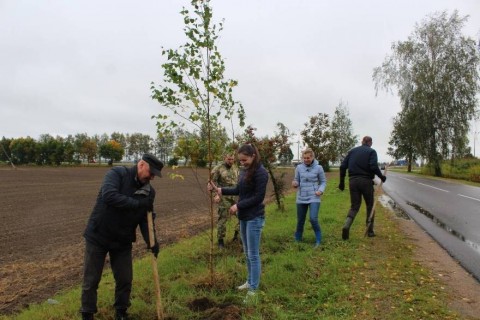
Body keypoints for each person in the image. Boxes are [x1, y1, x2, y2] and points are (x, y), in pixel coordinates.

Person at [80, 154, 163, 320]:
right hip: (99, 235)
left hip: (123, 240)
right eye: (151, 172)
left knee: (125, 279)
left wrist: (152, 242)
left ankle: (121, 312)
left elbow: (145, 219)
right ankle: (87, 313)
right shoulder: (117, 174)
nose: (152, 177)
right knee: (91, 280)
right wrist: (137, 204)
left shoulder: (149, 192)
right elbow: (109, 196)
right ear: (141, 165)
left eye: (155, 174)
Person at [208, 144, 268, 304]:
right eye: (240, 160)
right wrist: (221, 190)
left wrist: (238, 205)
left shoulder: (261, 173)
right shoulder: (244, 171)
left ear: (253, 156)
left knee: (253, 255)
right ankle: (249, 281)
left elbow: (258, 197)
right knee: (247, 253)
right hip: (244, 217)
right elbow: (239, 189)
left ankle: (254, 290)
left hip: (255, 217)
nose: (242, 163)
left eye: (244, 160)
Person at [338, 136, 386, 240]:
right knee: (370, 205)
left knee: (354, 206)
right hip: (366, 182)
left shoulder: (352, 151)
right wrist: (381, 177)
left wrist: (341, 183)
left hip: (353, 181)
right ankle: (370, 231)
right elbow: (373, 166)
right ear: (370, 142)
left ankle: (347, 225)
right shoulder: (372, 152)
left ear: (362, 142)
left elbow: (342, 167)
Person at [292, 148, 327, 247]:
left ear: (312, 157)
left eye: (308, 158)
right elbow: (296, 180)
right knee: (300, 220)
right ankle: (298, 239)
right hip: (301, 197)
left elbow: (323, 182)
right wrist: (295, 183)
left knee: (313, 219)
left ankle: (318, 240)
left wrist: (320, 190)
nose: (306, 159)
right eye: (304, 158)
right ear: (302, 158)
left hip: (314, 196)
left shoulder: (319, 168)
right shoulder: (298, 168)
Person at [211, 152, 240, 248]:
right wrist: (216, 195)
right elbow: (211, 183)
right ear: (224, 158)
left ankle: (237, 235)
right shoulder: (218, 169)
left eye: (232, 159)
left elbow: (238, 181)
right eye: (229, 159)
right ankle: (220, 241)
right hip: (223, 197)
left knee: (242, 215)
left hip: (235, 197)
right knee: (223, 219)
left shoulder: (236, 168)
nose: (231, 161)